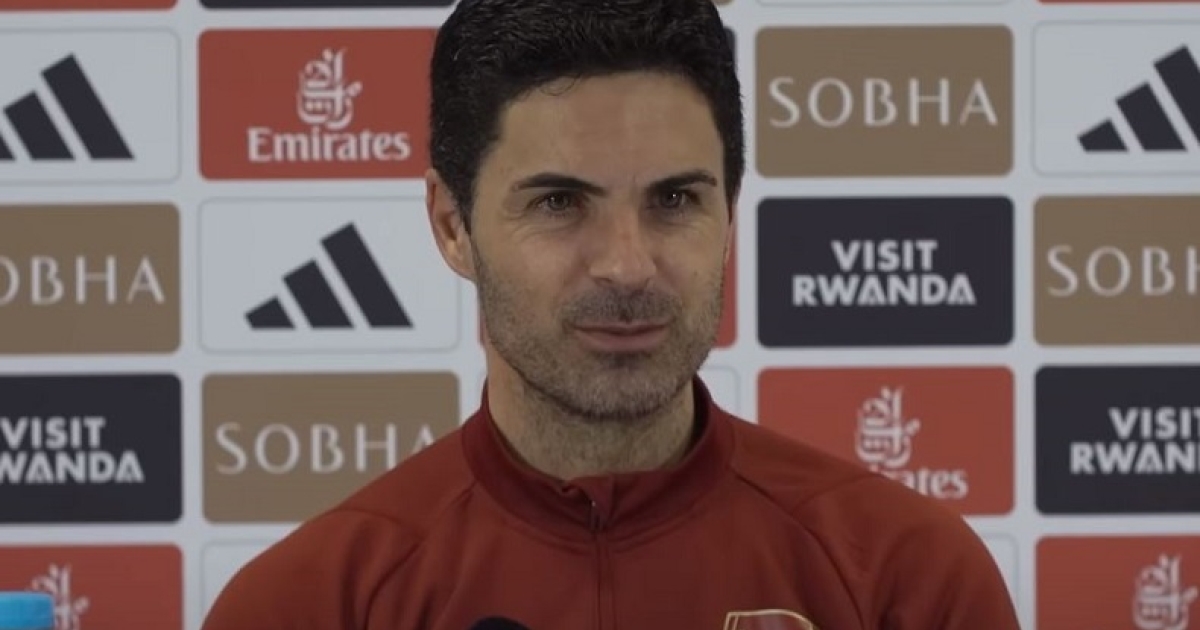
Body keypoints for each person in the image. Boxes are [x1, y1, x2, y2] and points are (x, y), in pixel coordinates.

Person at [200, 0, 1022, 628]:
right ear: (453, 225)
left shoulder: (908, 581)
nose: (628, 265)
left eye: (675, 199)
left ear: (730, 214)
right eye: (559, 202)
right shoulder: (309, 604)